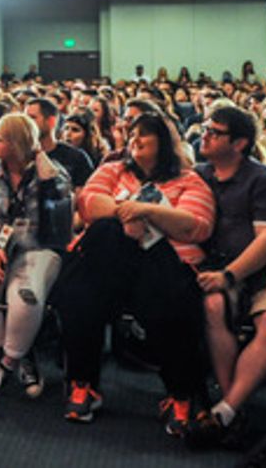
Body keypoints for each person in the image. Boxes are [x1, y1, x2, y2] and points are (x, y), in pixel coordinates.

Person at [53, 112, 215, 435]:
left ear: (164, 142)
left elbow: (196, 226)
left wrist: (146, 211)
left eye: (144, 135)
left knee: (172, 302)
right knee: (89, 273)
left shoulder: (188, 180)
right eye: (131, 135)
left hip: (163, 267)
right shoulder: (113, 169)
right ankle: (84, 383)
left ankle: (180, 394)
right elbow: (88, 205)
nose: (134, 141)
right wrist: (126, 216)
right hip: (111, 265)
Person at [186, 105, 266, 448]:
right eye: (207, 129)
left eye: (215, 132)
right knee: (214, 307)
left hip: (258, 271)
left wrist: (228, 275)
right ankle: (230, 410)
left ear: (240, 143)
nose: (206, 135)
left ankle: (226, 409)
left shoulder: (264, 180)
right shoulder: (198, 175)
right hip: (213, 266)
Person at [0, 113, 72, 399]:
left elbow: (60, 210)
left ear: (17, 143)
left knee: (25, 297)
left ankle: (7, 362)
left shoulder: (50, 174)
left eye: (0, 137)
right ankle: (22, 350)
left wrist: (41, 161)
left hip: (37, 248)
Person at [26, 97, 94, 189]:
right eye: (25, 118)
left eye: (32, 118)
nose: (26, 123)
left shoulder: (76, 157)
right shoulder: (20, 154)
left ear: (51, 121)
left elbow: (82, 195)